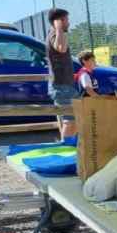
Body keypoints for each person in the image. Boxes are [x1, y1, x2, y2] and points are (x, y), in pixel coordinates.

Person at [45, 8, 76, 139]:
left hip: (66, 85)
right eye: (66, 20)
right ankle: (66, 148)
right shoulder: (54, 34)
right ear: (59, 21)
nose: (69, 23)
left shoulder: (58, 34)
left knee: (74, 120)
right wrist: (58, 29)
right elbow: (61, 48)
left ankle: (70, 146)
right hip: (61, 86)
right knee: (70, 121)